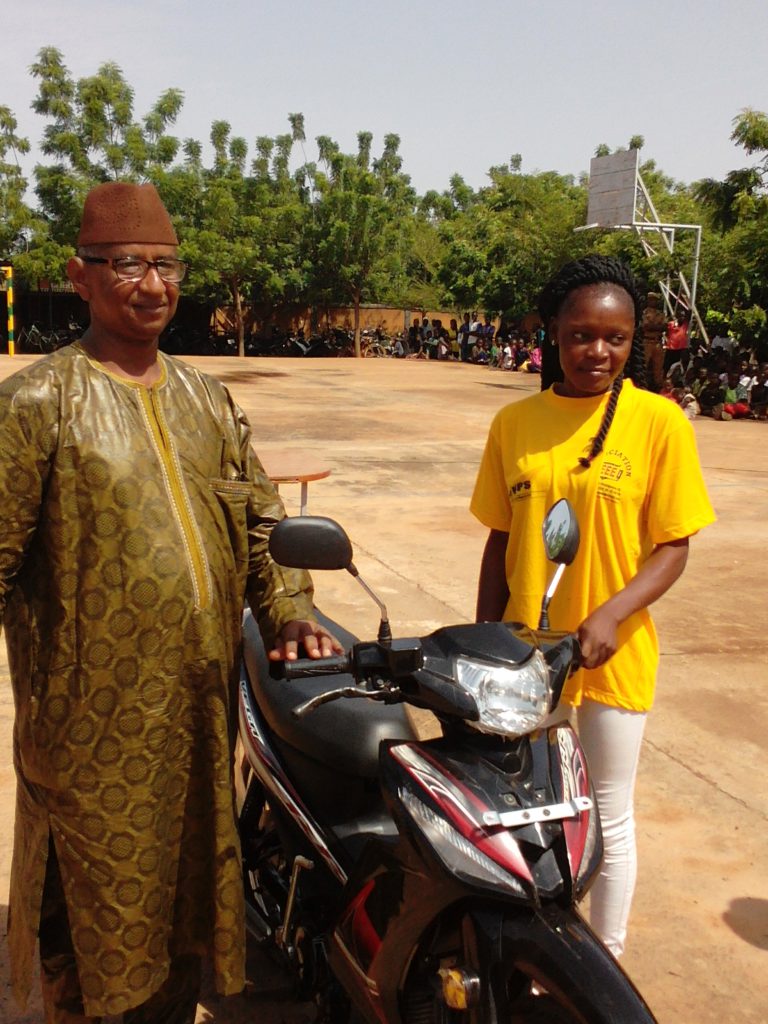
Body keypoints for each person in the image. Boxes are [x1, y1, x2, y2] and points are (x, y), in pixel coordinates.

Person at [0, 182, 341, 1024]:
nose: (152, 285)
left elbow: (261, 520)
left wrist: (291, 605)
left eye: (166, 265)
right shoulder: (39, 404)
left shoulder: (207, 400)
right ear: (80, 277)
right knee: (88, 924)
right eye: (128, 266)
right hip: (89, 734)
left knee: (186, 913)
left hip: (196, 722)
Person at [470, 255, 715, 957]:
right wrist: (489, 638)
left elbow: (674, 545)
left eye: (614, 337)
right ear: (554, 332)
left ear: (633, 339)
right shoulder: (515, 421)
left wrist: (609, 613)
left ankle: (603, 957)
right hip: (526, 658)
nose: (597, 352)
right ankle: (532, 951)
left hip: (615, 654)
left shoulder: (659, 423)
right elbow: (501, 538)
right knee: (526, 809)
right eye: (581, 335)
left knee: (607, 812)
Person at [641, 292, 666, 392]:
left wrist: (653, 327)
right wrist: (657, 327)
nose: (653, 301)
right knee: (643, 365)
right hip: (646, 341)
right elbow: (645, 326)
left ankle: (658, 388)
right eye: (651, 299)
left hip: (657, 342)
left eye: (654, 300)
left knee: (658, 369)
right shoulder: (644, 313)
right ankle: (640, 386)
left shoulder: (661, 314)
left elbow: (664, 327)